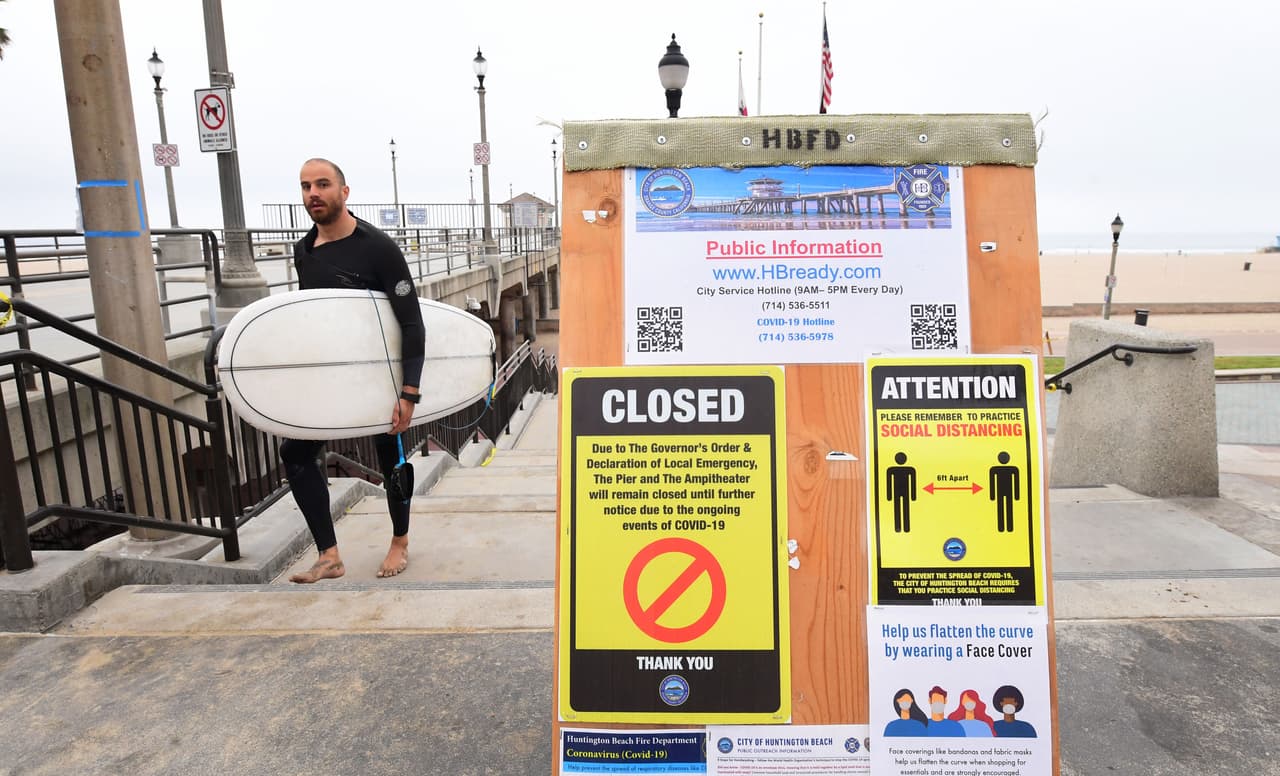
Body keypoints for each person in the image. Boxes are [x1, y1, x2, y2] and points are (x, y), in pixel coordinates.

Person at [281, 158, 425, 583]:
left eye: (323, 184)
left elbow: (412, 323)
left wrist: (409, 392)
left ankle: (400, 541)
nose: (313, 193)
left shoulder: (378, 248)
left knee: (391, 455)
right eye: (306, 186)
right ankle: (329, 555)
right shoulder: (303, 252)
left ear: (344, 192)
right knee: (296, 453)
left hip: (378, 374)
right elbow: (314, 317)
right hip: (330, 376)